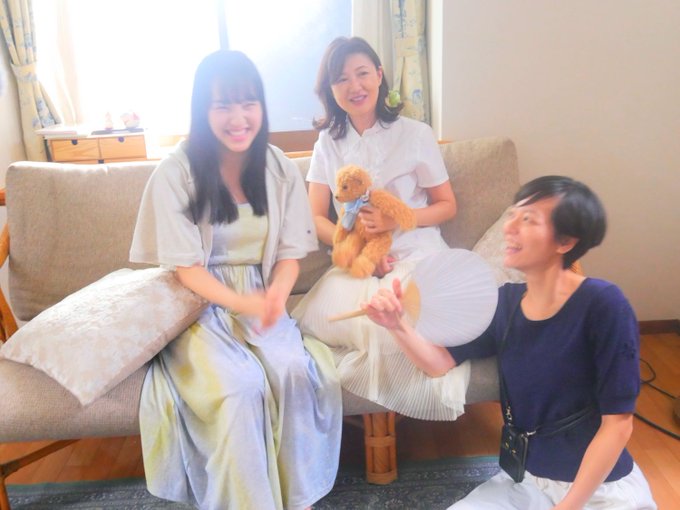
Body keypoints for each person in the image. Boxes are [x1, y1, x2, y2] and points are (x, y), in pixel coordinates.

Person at [362, 175, 657, 509]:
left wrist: (569, 505)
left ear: (565, 242)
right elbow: (438, 363)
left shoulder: (604, 304)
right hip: (526, 480)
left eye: (528, 219)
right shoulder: (505, 303)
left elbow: (618, 425)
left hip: (598, 488)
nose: (509, 227)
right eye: (512, 215)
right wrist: (396, 325)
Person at [129, 50, 342, 510]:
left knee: (293, 372)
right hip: (196, 309)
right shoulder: (175, 172)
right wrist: (245, 304)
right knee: (240, 388)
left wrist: (275, 297)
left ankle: (295, 499)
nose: (238, 117)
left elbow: (289, 254)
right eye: (222, 105)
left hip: (262, 300)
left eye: (248, 103)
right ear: (202, 110)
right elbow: (186, 270)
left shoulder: (278, 167)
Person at [291, 36, 481, 421]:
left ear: (379, 75)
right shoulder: (328, 142)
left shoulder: (416, 134)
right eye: (342, 79)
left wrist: (397, 220)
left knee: (402, 319)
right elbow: (315, 219)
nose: (355, 86)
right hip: (359, 265)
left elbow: (446, 205)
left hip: (416, 255)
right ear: (330, 90)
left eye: (362, 73)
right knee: (339, 319)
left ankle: (411, 355)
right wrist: (359, 252)